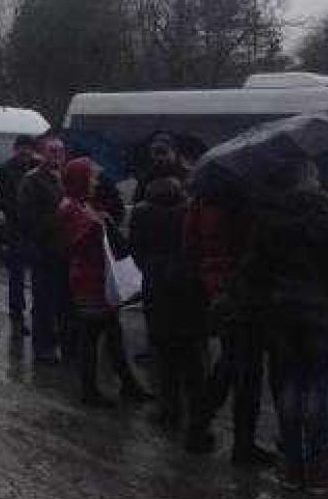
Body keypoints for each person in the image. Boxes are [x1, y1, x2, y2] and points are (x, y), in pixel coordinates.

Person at [239, 158, 328, 493]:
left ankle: (292, 469)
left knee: (288, 388)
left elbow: (251, 270)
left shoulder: (266, 221)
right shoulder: (325, 219)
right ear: (308, 180)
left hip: (280, 318)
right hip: (319, 319)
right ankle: (321, 473)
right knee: (316, 391)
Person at [182, 177, 274, 465]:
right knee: (247, 372)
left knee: (230, 363)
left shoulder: (200, 202)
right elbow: (257, 252)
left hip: (217, 290)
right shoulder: (248, 203)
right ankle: (242, 446)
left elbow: (189, 245)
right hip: (246, 293)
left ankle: (198, 427)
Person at [59, 157, 152, 406]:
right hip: (90, 282)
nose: (95, 182)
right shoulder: (72, 208)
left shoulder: (81, 204)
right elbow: (79, 242)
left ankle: (127, 384)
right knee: (93, 336)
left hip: (97, 279)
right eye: (90, 177)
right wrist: (101, 224)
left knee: (112, 333)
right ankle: (91, 391)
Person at [130, 177, 208, 429]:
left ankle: (169, 409)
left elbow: (136, 250)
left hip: (156, 285)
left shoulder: (141, 213)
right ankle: (198, 412)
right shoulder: (191, 210)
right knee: (193, 354)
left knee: (163, 352)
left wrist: (150, 268)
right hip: (188, 287)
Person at [18, 135, 68, 363]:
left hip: (64, 248)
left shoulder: (64, 177)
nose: (57, 154)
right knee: (44, 300)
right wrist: (58, 216)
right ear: (42, 153)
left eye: (60, 150)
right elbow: (27, 218)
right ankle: (42, 347)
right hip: (43, 249)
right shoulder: (33, 180)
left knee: (62, 299)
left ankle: (61, 342)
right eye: (52, 150)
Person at [0, 134, 39, 337]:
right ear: (16, 149)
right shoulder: (5, 170)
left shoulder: (37, 167)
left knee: (38, 274)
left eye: (29, 148)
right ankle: (17, 314)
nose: (26, 152)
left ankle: (38, 313)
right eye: (22, 148)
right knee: (17, 275)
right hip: (16, 229)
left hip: (36, 230)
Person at [134, 133, 188, 204]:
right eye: (156, 153)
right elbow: (137, 199)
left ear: (174, 152)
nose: (160, 158)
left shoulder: (185, 174)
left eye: (164, 153)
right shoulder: (148, 175)